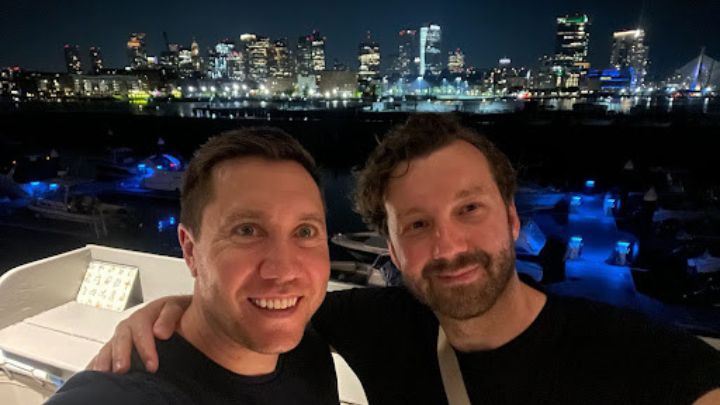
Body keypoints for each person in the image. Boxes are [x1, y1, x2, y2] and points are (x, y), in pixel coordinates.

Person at [93, 114, 720, 404]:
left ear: (510, 220)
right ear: (392, 250)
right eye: (418, 224)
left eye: (469, 210)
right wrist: (175, 306)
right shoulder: (374, 324)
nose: (447, 247)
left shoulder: (637, 358)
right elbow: (259, 311)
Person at [45, 128, 339, 404]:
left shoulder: (310, 351)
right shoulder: (120, 394)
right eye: (247, 231)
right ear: (190, 250)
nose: (285, 270)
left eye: (305, 232)